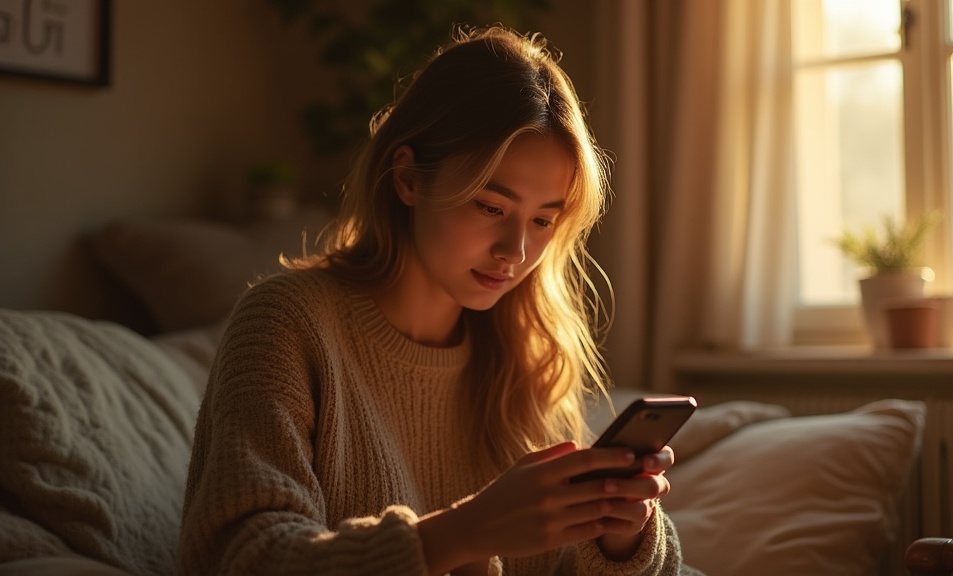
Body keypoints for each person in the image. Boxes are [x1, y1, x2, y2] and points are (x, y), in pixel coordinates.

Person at [177, 25, 698, 576]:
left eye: (543, 220)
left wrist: (624, 539)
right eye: (491, 207)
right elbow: (245, 557)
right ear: (407, 178)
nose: (516, 251)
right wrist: (469, 530)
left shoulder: (521, 352)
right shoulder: (287, 322)